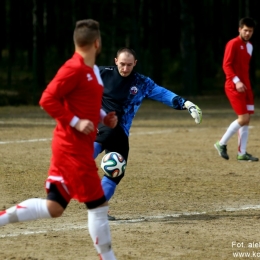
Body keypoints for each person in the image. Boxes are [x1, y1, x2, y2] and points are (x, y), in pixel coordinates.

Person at [0, 19, 118, 260]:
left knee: (54, 207)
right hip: (71, 149)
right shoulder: (72, 69)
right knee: (98, 206)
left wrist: (104, 117)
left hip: (79, 148)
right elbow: (47, 99)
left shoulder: (93, 70)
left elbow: (87, 103)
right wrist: (76, 122)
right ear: (97, 43)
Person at [93, 47, 202, 220]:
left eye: (129, 65)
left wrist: (186, 104)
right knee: (99, 141)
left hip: (121, 132)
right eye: (122, 64)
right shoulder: (101, 73)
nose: (125, 68)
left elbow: (162, 93)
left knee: (116, 172)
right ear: (115, 61)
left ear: (135, 63)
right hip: (103, 123)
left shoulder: (141, 82)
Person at [214, 17, 258, 162]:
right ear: (239, 29)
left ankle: (242, 153)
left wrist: (246, 84)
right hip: (234, 86)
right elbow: (226, 65)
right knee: (243, 118)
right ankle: (221, 143)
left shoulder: (250, 46)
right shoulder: (232, 44)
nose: (247, 33)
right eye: (245, 30)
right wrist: (237, 81)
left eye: (250, 31)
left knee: (247, 120)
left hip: (246, 87)